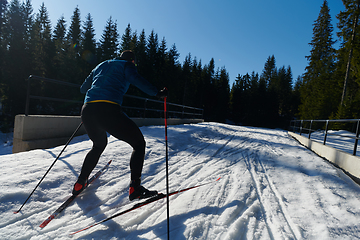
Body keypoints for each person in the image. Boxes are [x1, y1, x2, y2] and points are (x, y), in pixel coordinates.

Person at [73, 50, 167, 201]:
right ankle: (135, 188)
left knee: (98, 145)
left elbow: (83, 88)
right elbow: (136, 79)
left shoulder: (101, 65)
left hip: (88, 109)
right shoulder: (126, 66)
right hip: (108, 109)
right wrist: (157, 93)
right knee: (138, 144)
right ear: (132, 61)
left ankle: (80, 183)